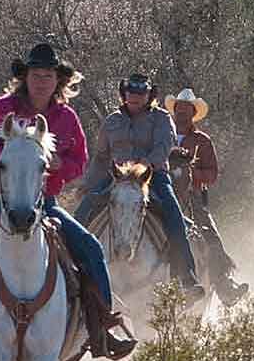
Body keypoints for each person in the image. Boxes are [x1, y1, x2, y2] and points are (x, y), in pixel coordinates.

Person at [0, 43, 136, 361]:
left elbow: (79, 161)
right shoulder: (0, 108)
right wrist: (11, 159)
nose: (42, 81)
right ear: (24, 77)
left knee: (91, 248)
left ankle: (103, 329)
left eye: (49, 76)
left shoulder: (66, 117)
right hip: (2, 203)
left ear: (59, 81)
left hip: (46, 204)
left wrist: (57, 167)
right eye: (36, 75)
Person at [72, 73, 206, 300]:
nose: (134, 98)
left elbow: (164, 147)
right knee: (82, 212)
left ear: (148, 95)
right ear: (123, 94)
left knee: (173, 215)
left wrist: (146, 163)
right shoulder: (112, 121)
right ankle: (73, 273)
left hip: (152, 176)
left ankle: (186, 277)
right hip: (117, 177)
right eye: (130, 94)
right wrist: (88, 184)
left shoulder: (162, 118)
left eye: (139, 94)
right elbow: (102, 157)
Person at [164, 88, 250, 303]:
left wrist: (190, 176)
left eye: (187, 109)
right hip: (162, 191)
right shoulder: (162, 135)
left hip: (192, 196)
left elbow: (212, 174)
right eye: (179, 109)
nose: (182, 113)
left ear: (193, 113)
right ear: (174, 110)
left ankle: (223, 284)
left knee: (209, 234)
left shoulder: (202, 141)